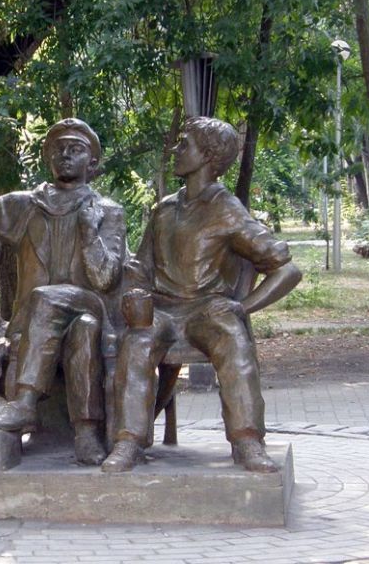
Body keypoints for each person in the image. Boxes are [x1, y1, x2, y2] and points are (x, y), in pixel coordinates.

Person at [101, 116, 301, 473]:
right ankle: (129, 441)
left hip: (207, 311)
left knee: (232, 339)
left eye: (185, 144)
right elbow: (140, 266)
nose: (177, 150)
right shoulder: (163, 209)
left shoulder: (226, 210)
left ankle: (247, 441)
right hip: (161, 309)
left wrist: (242, 307)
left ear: (209, 156)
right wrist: (134, 291)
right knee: (136, 344)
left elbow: (287, 270)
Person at [0, 118, 126, 465]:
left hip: (93, 301)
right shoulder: (27, 205)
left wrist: (89, 234)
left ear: (93, 162)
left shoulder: (108, 212)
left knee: (52, 299)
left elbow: (106, 279)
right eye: (58, 149)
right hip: (49, 320)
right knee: (82, 328)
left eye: (76, 149)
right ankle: (86, 433)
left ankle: (25, 403)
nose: (65, 155)